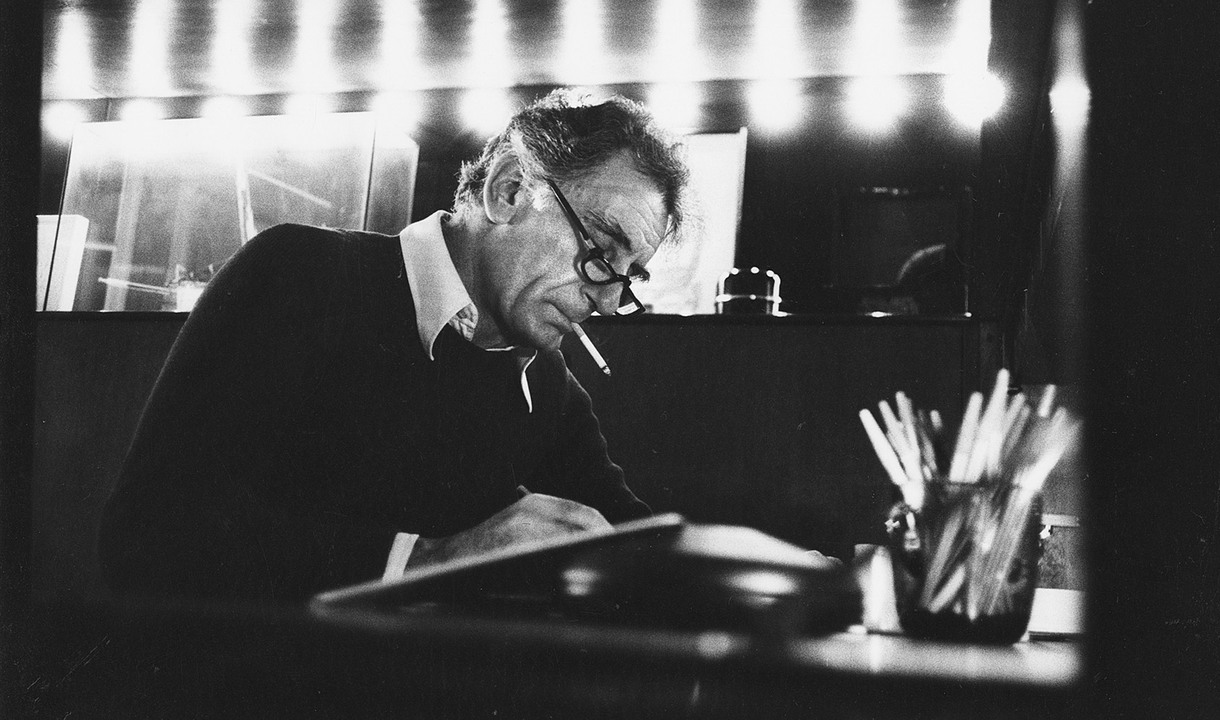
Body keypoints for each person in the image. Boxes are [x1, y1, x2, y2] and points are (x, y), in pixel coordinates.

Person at [97, 90, 691, 604]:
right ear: (509, 190)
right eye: (601, 250)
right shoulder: (301, 277)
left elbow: (636, 537)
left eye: (628, 277)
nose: (609, 303)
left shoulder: (551, 390)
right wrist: (426, 560)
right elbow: (150, 537)